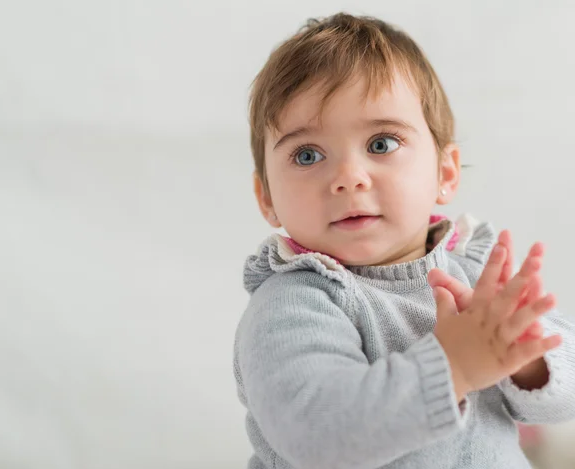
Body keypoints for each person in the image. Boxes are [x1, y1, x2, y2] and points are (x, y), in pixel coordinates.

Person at [233, 12, 575, 468]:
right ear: (267, 198)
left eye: (381, 144)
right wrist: (453, 366)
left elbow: (564, 396)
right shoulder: (293, 304)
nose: (348, 178)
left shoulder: (472, 274)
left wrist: (525, 356)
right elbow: (319, 437)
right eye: (308, 154)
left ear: (445, 173)